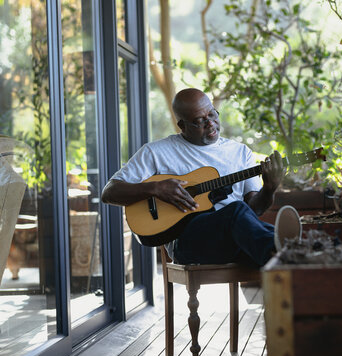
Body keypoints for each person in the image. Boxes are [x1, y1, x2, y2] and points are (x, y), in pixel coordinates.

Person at [101, 88, 300, 267]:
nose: (210, 123)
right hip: (190, 244)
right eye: (199, 121)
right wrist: (155, 189)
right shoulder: (156, 152)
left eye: (212, 114)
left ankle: (288, 255)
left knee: (260, 233)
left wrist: (269, 188)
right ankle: (287, 254)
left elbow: (254, 210)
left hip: (239, 239)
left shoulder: (240, 153)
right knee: (239, 213)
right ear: (182, 125)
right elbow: (109, 192)